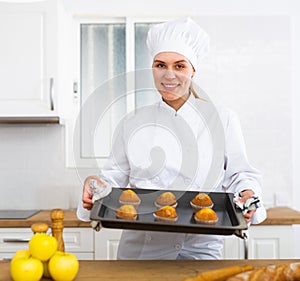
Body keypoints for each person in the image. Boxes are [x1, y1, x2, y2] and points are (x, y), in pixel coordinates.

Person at [77, 17, 266, 260]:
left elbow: (240, 175)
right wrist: (94, 184)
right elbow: (112, 181)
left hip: (201, 249)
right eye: (160, 65)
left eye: (179, 66)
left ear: (193, 70)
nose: (169, 75)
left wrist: (248, 193)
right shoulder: (132, 122)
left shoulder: (223, 119)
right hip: (141, 252)